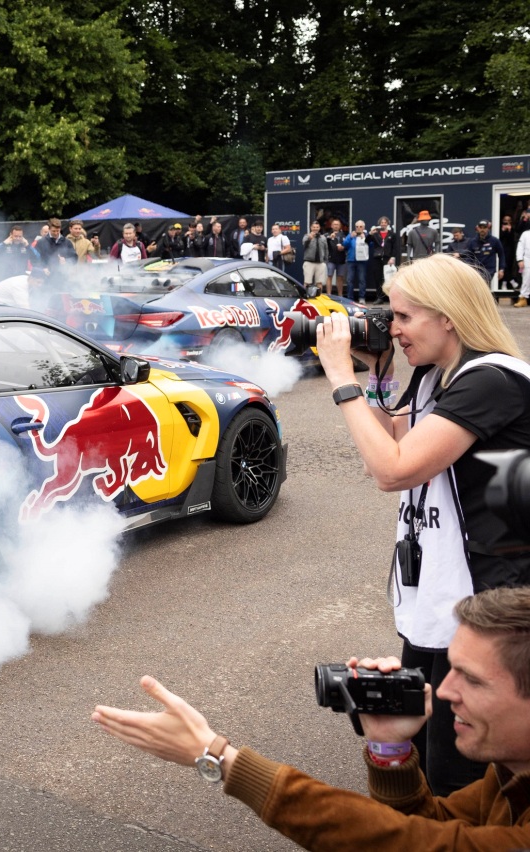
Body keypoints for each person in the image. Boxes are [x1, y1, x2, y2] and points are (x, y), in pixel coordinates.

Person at [316, 252, 530, 794]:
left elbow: (395, 470)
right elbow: (389, 452)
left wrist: (339, 376)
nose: (394, 329)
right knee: (429, 751)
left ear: (449, 317)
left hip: (486, 601)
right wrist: (377, 375)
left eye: (404, 317)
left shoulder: (493, 380)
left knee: (459, 772)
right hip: (440, 592)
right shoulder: (441, 377)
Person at [91, 586, 530, 850]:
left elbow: (401, 845)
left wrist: (220, 757)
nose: (445, 690)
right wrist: (390, 748)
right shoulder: (510, 771)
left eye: (473, 680)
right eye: (451, 668)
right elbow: (432, 828)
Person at [463, 220, 503, 289]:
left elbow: (501, 255)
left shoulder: (494, 241)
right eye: (480, 228)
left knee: (484, 286)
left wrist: (501, 269)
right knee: (476, 288)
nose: (482, 230)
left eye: (484, 228)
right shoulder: (472, 242)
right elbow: (469, 256)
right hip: (477, 269)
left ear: (488, 228)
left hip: (489, 270)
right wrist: (468, 268)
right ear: (477, 228)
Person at [368, 216, 399, 304]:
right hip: (377, 258)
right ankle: (380, 297)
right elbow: (366, 241)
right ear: (379, 224)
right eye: (382, 223)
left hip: (387, 259)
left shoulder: (392, 234)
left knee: (389, 278)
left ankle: (391, 297)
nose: (383, 224)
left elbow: (395, 247)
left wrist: (392, 257)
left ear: (388, 224)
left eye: (385, 222)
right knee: (378, 278)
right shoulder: (375, 233)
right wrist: (370, 234)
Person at [342, 220, 371, 302]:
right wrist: (350, 237)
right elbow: (344, 244)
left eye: (360, 226)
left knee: (362, 280)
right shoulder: (351, 235)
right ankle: (350, 298)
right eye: (357, 226)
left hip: (362, 261)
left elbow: (371, 245)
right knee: (349, 280)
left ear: (364, 227)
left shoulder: (366, 235)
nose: (358, 228)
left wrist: (364, 238)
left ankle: (362, 297)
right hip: (351, 260)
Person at [301, 221, 329, 293]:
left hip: (320, 263)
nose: (315, 229)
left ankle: (319, 296)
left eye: (317, 227)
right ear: (311, 228)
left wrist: (325, 262)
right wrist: (309, 239)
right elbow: (304, 245)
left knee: (319, 283)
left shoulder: (323, 238)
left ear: (319, 228)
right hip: (309, 262)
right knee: (307, 282)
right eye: (314, 227)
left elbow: (326, 250)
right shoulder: (306, 236)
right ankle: (306, 296)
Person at [326, 218, 347, 297]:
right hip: (331, 259)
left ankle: (340, 295)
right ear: (331, 225)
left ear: (340, 226)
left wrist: (343, 248)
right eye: (334, 224)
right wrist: (329, 237)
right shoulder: (327, 234)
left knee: (340, 277)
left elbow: (347, 245)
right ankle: (329, 295)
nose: (336, 226)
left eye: (337, 224)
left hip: (341, 259)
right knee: (329, 276)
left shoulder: (344, 235)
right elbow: (324, 242)